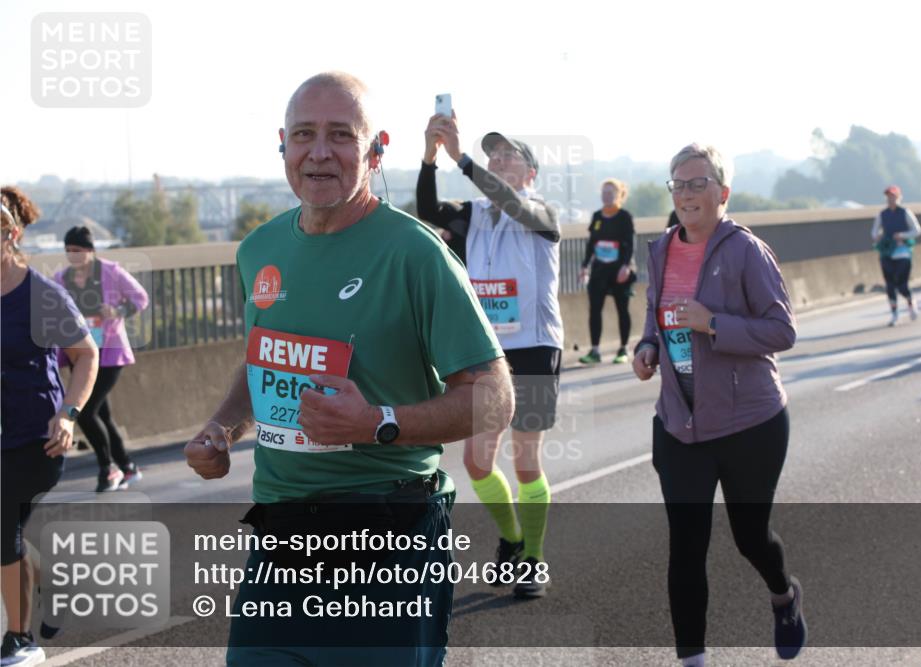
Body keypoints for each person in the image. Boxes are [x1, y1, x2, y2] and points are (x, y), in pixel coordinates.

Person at [183, 72, 513, 667]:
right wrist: (221, 428)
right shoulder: (259, 249)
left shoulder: (415, 253)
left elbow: (495, 397)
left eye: (340, 135)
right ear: (282, 144)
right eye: (303, 134)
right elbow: (262, 356)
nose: (319, 152)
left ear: (375, 150)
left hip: (388, 534)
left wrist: (376, 422)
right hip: (281, 536)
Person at [632, 144, 804, 666]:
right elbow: (657, 315)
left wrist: (712, 324)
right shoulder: (661, 250)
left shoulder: (746, 251)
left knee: (751, 538)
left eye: (698, 183)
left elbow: (782, 330)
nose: (686, 194)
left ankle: (783, 594)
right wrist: (648, 347)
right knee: (686, 546)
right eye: (678, 184)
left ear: (722, 193)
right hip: (680, 425)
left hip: (749, 423)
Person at [417, 112, 563, 599]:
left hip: (536, 347)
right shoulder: (473, 213)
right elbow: (427, 209)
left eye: (508, 155)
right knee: (477, 462)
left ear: (530, 172)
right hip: (487, 352)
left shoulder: (541, 213)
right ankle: (512, 538)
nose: (498, 160)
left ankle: (533, 560)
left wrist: (461, 158)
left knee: (525, 462)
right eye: (492, 154)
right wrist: (430, 158)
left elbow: (511, 204)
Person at [1, 187, 99, 665]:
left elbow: (86, 355)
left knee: (2, 529)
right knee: (7, 534)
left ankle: (20, 639)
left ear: (11, 235)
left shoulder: (41, 295)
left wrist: (68, 413)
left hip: (36, 438)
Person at [55, 225, 149, 492]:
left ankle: (108, 468)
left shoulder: (110, 271)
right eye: (68, 250)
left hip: (109, 353)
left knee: (85, 411)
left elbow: (140, 298)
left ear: (90, 250)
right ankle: (128, 467)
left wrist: (117, 310)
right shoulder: (60, 278)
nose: (73, 255)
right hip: (80, 354)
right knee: (102, 415)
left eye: (78, 250)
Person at [578, 178, 635, 365]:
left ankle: (623, 349)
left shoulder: (624, 216)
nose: (606, 196)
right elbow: (591, 244)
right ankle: (595, 351)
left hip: (619, 271)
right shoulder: (597, 216)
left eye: (610, 193)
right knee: (594, 309)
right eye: (604, 192)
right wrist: (584, 266)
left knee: (622, 309)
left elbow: (630, 243)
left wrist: (626, 266)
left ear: (618, 195)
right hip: (599, 271)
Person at [872, 185, 921, 326]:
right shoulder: (882, 214)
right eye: (888, 197)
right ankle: (894, 313)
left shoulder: (905, 212)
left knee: (901, 284)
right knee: (889, 285)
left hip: (902, 252)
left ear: (898, 197)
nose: (890, 199)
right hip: (887, 252)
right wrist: (878, 237)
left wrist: (902, 235)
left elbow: (917, 230)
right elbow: (874, 232)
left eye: (893, 196)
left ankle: (910, 301)